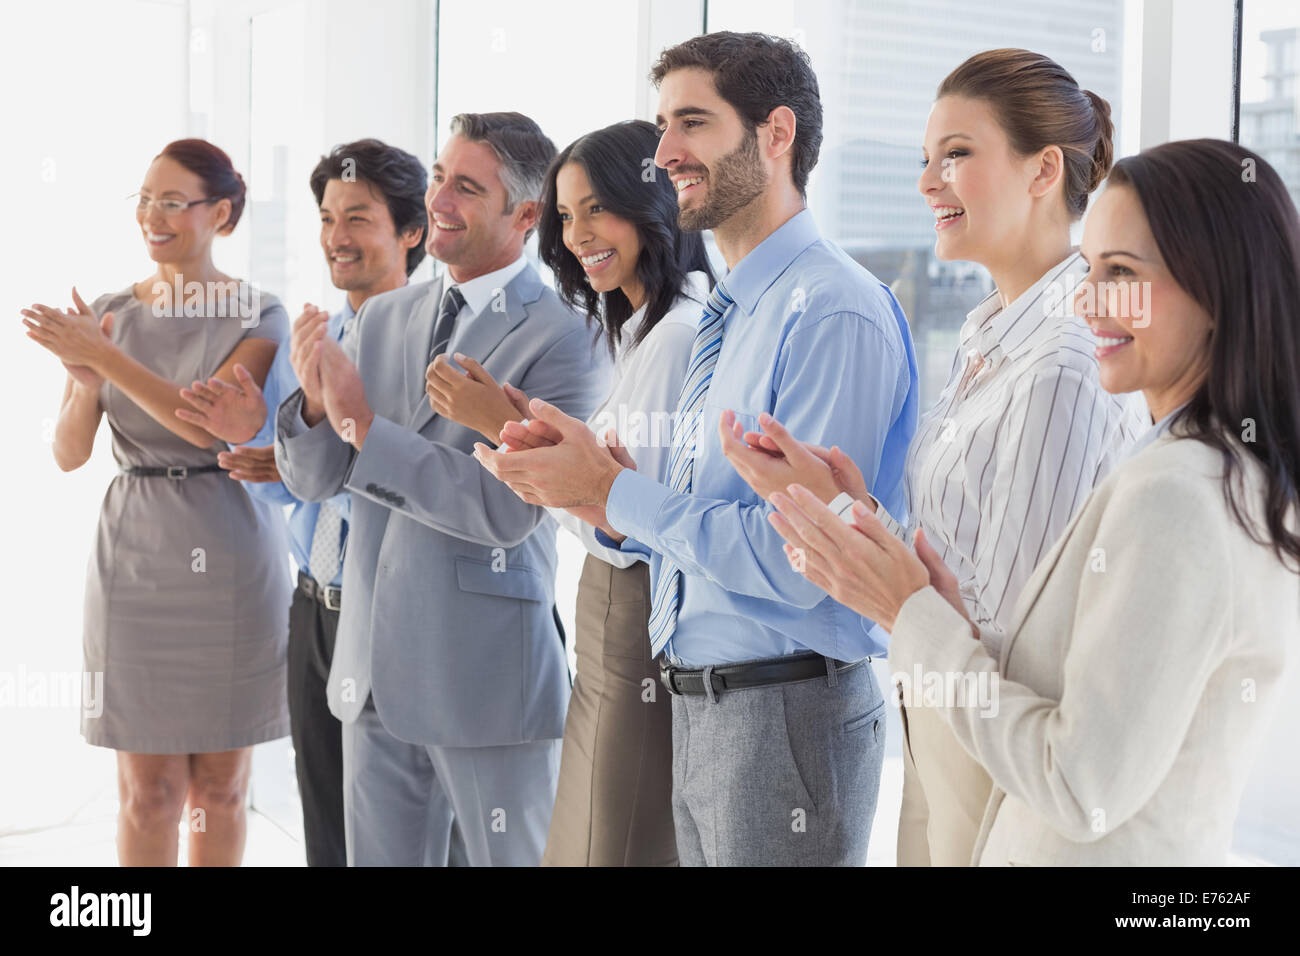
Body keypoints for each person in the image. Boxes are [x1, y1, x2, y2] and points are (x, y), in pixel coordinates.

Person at [764, 138, 1300, 865]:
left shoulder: (1177, 495)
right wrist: (936, 608)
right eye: (1091, 270)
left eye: (1120, 273)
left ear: (1217, 286)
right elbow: (1078, 697)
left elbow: (1079, 784)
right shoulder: (1220, 471)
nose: (1087, 301)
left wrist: (908, 613)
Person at [474, 33, 918, 866]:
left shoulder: (830, 311)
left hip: (782, 712)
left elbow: (800, 562)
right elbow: (696, 526)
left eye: (692, 124)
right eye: (662, 125)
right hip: (705, 707)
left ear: (775, 135)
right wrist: (586, 484)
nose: (665, 153)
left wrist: (612, 493)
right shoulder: (732, 316)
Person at [718, 49, 1147, 865]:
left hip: (995, 752)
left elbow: (1011, 632)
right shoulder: (990, 334)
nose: (926, 183)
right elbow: (966, 562)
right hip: (939, 722)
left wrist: (853, 537)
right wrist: (846, 505)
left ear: (1042, 170)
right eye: (925, 160)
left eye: (956, 155)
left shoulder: (1062, 362)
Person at [273, 112, 613, 866]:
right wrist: (314, 407)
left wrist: (364, 425)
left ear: (525, 215)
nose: (440, 200)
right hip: (369, 673)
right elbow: (318, 478)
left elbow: (505, 509)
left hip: (484, 683)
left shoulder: (567, 336)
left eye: (466, 186)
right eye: (437, 176)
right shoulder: (386, 315)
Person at [430, 119, 714, 865]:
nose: (577, 232)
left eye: (597, 207)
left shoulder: (675, 336)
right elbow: (610, 484)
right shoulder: (640, 330)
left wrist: (508, 433)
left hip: (630, 621)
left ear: (650, 206)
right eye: (565, 214)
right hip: (609, 627)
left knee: (608, 846)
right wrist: (529, 431)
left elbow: (626, 519)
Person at [22, 138, 290, 865]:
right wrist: (83, 379)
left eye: (172, 201)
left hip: (231, 551)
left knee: (222, 790)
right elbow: (70, 453)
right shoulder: (109, 313)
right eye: (144, 199)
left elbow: (205, 425)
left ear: (222, 213)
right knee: (149, 793)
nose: (152, 215)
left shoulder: (259, 314)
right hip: (135, 561)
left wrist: (106, 360)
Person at [172, 138, 429, 866]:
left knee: (393, 827)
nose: (336, 237)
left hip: (387, 612)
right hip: (313, 604)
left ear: (412, 232)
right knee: (324, 814)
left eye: (359, 218)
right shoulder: (321, 334)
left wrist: (301, 456)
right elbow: (305, 485)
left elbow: (416, 482)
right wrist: (258, 439)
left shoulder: (428, 348)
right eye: (326, 217)